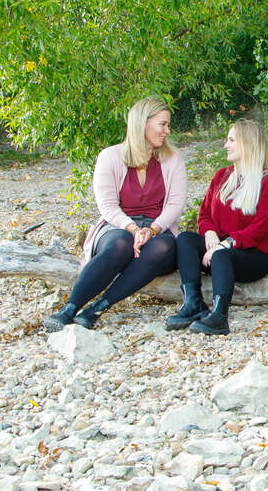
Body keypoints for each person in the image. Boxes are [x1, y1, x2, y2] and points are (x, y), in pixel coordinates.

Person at [43, 97, 186, 331]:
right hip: (117, 226)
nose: (167, 131)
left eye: (167, 125)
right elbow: (107, 206)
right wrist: (132, 229)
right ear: (143, 123)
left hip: (158, 229)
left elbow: (175, 204)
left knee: (161, 247)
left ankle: (99, 306)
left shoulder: (172, 159)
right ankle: (70, 308)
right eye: (162, 124)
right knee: (120, 243)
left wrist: (151, 230)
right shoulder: (110, 157)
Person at [165, 120, 268, 335]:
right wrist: (209, 232)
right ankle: (193, 303)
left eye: (231, 140)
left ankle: (219, 316)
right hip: (218, 250)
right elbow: (204, 214)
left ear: (247, 144)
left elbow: (259, 228)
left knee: (221, 256)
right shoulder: (222, 176)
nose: (225, 145)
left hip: (252, 257)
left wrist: (225, 244)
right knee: (185, 239)